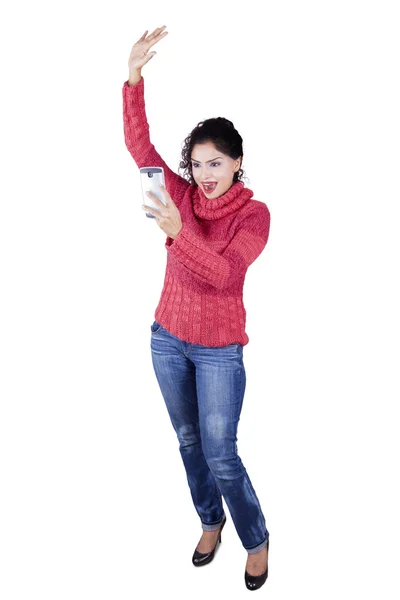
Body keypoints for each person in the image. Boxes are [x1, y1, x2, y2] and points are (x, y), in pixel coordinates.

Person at [123, 25, 271, 591]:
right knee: (188, 445)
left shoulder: (253, 215)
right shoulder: (180, 196)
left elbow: (224, 274)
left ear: (236, 163)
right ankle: (210, 521)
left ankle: (255, 539)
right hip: (167, 338)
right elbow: (141, 149)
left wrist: (178, 232)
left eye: (215, 164)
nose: (204, 176)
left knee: (221, 453)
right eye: (197, 164)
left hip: (217, 351)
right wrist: (133, 77)